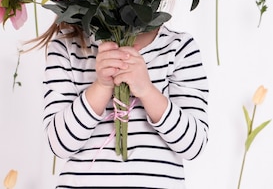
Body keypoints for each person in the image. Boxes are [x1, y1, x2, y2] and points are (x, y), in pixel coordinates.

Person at [30, 21, 209, 188]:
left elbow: (194, 145)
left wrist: (147, 90)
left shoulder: (179, 47)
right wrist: (101, 85)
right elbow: (60, 144)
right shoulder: (68, 45)